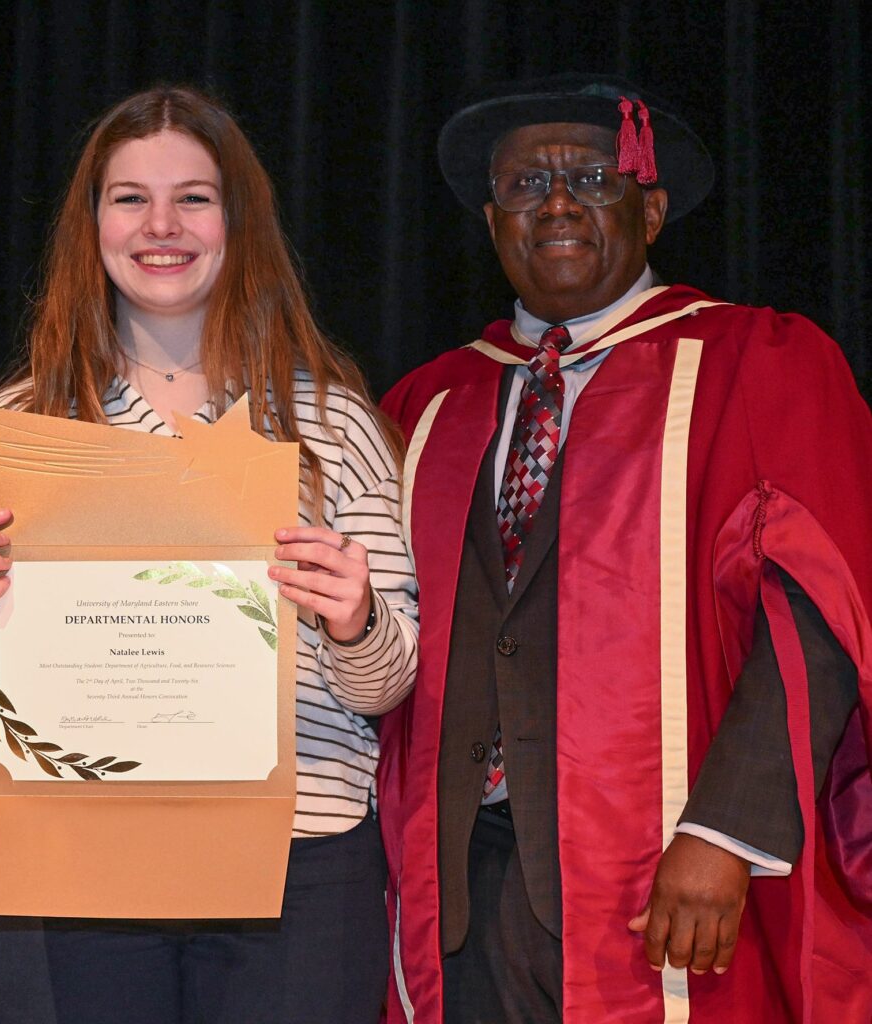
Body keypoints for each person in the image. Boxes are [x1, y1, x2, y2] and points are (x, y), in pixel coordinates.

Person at [377, 73, 871, 1023]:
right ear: (490, 220)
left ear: (649, 210)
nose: (556, 202)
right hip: (457, 880)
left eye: (592, 178)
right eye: (526, 186)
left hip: (666, 868)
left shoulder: (754, 363)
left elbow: (822, 605)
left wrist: (727, 830)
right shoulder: (424, 404)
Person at [0, 86, 418, 1024]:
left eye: (194, 197)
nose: (162, 225)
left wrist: (356, 621)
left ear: (237, 221)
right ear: (94, 224)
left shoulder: (332, 424)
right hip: (71, 865)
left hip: (294, 868)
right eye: (130, 198)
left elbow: (388, 684)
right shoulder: (21, 424)